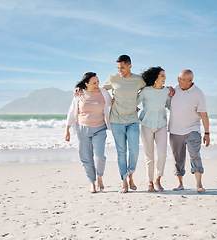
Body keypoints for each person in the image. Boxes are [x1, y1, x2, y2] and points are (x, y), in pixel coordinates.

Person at [102, 55, 146, 193]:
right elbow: (101, 90)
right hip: (116, 120)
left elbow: (150, 89)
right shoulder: (113, 78)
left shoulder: (138, 80)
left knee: (134, 150)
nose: (120, 70)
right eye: (118, 68)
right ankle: (124, 182)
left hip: (133, 119)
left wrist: (138, 103)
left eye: (122, 67)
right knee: (121, 152)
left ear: (129, 66)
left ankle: (131, 175)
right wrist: (79, 89)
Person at [65, 72, 112, 193]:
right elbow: (71, 112)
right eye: (94, 83)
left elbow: (113, 103)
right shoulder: (79, 94)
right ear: (86, 84)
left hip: (100, 129)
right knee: (86, 158)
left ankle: (100, 177)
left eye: (98, 82)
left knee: (100, 156)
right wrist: (67, 130)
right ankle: (92, 182)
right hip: (82, 129)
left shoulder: (104, 93)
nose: (97, 85)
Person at [168, 69, 210, 193]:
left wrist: (207, 133)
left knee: (195, 156)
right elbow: (165, 103)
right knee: (178, 159)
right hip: (175, 130)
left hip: (193, 130)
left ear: (190, 80)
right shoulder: (175, 89)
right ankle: (180, 183)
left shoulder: (198, 93)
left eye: (181, 79)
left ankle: (199, 184)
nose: (178, 81)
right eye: (178, 78)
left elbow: (204, 115)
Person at [137, 66, 171, 192]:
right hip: (146, 125)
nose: (165, 78)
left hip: (161, 125)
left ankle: (158, 178)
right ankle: (150, 183)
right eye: (162, 75)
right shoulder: (146, 91)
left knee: (162, 154)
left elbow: (171, 106)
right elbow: (134, 102)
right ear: (155, 77)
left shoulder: (166, 91)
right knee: (149, 156)